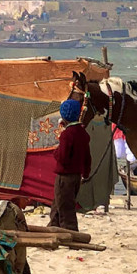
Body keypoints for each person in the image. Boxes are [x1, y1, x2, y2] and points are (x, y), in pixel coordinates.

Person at [51, 99, 91, 231]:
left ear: (63, 116)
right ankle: (53, 229)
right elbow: (87, 158)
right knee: (58, 205)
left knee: (65, 208)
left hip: (64, 177)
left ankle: (72, 235)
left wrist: (55, 152)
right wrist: (85, 174)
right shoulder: (83, 133)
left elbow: (62, 158)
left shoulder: (66, 135)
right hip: (76, 177)